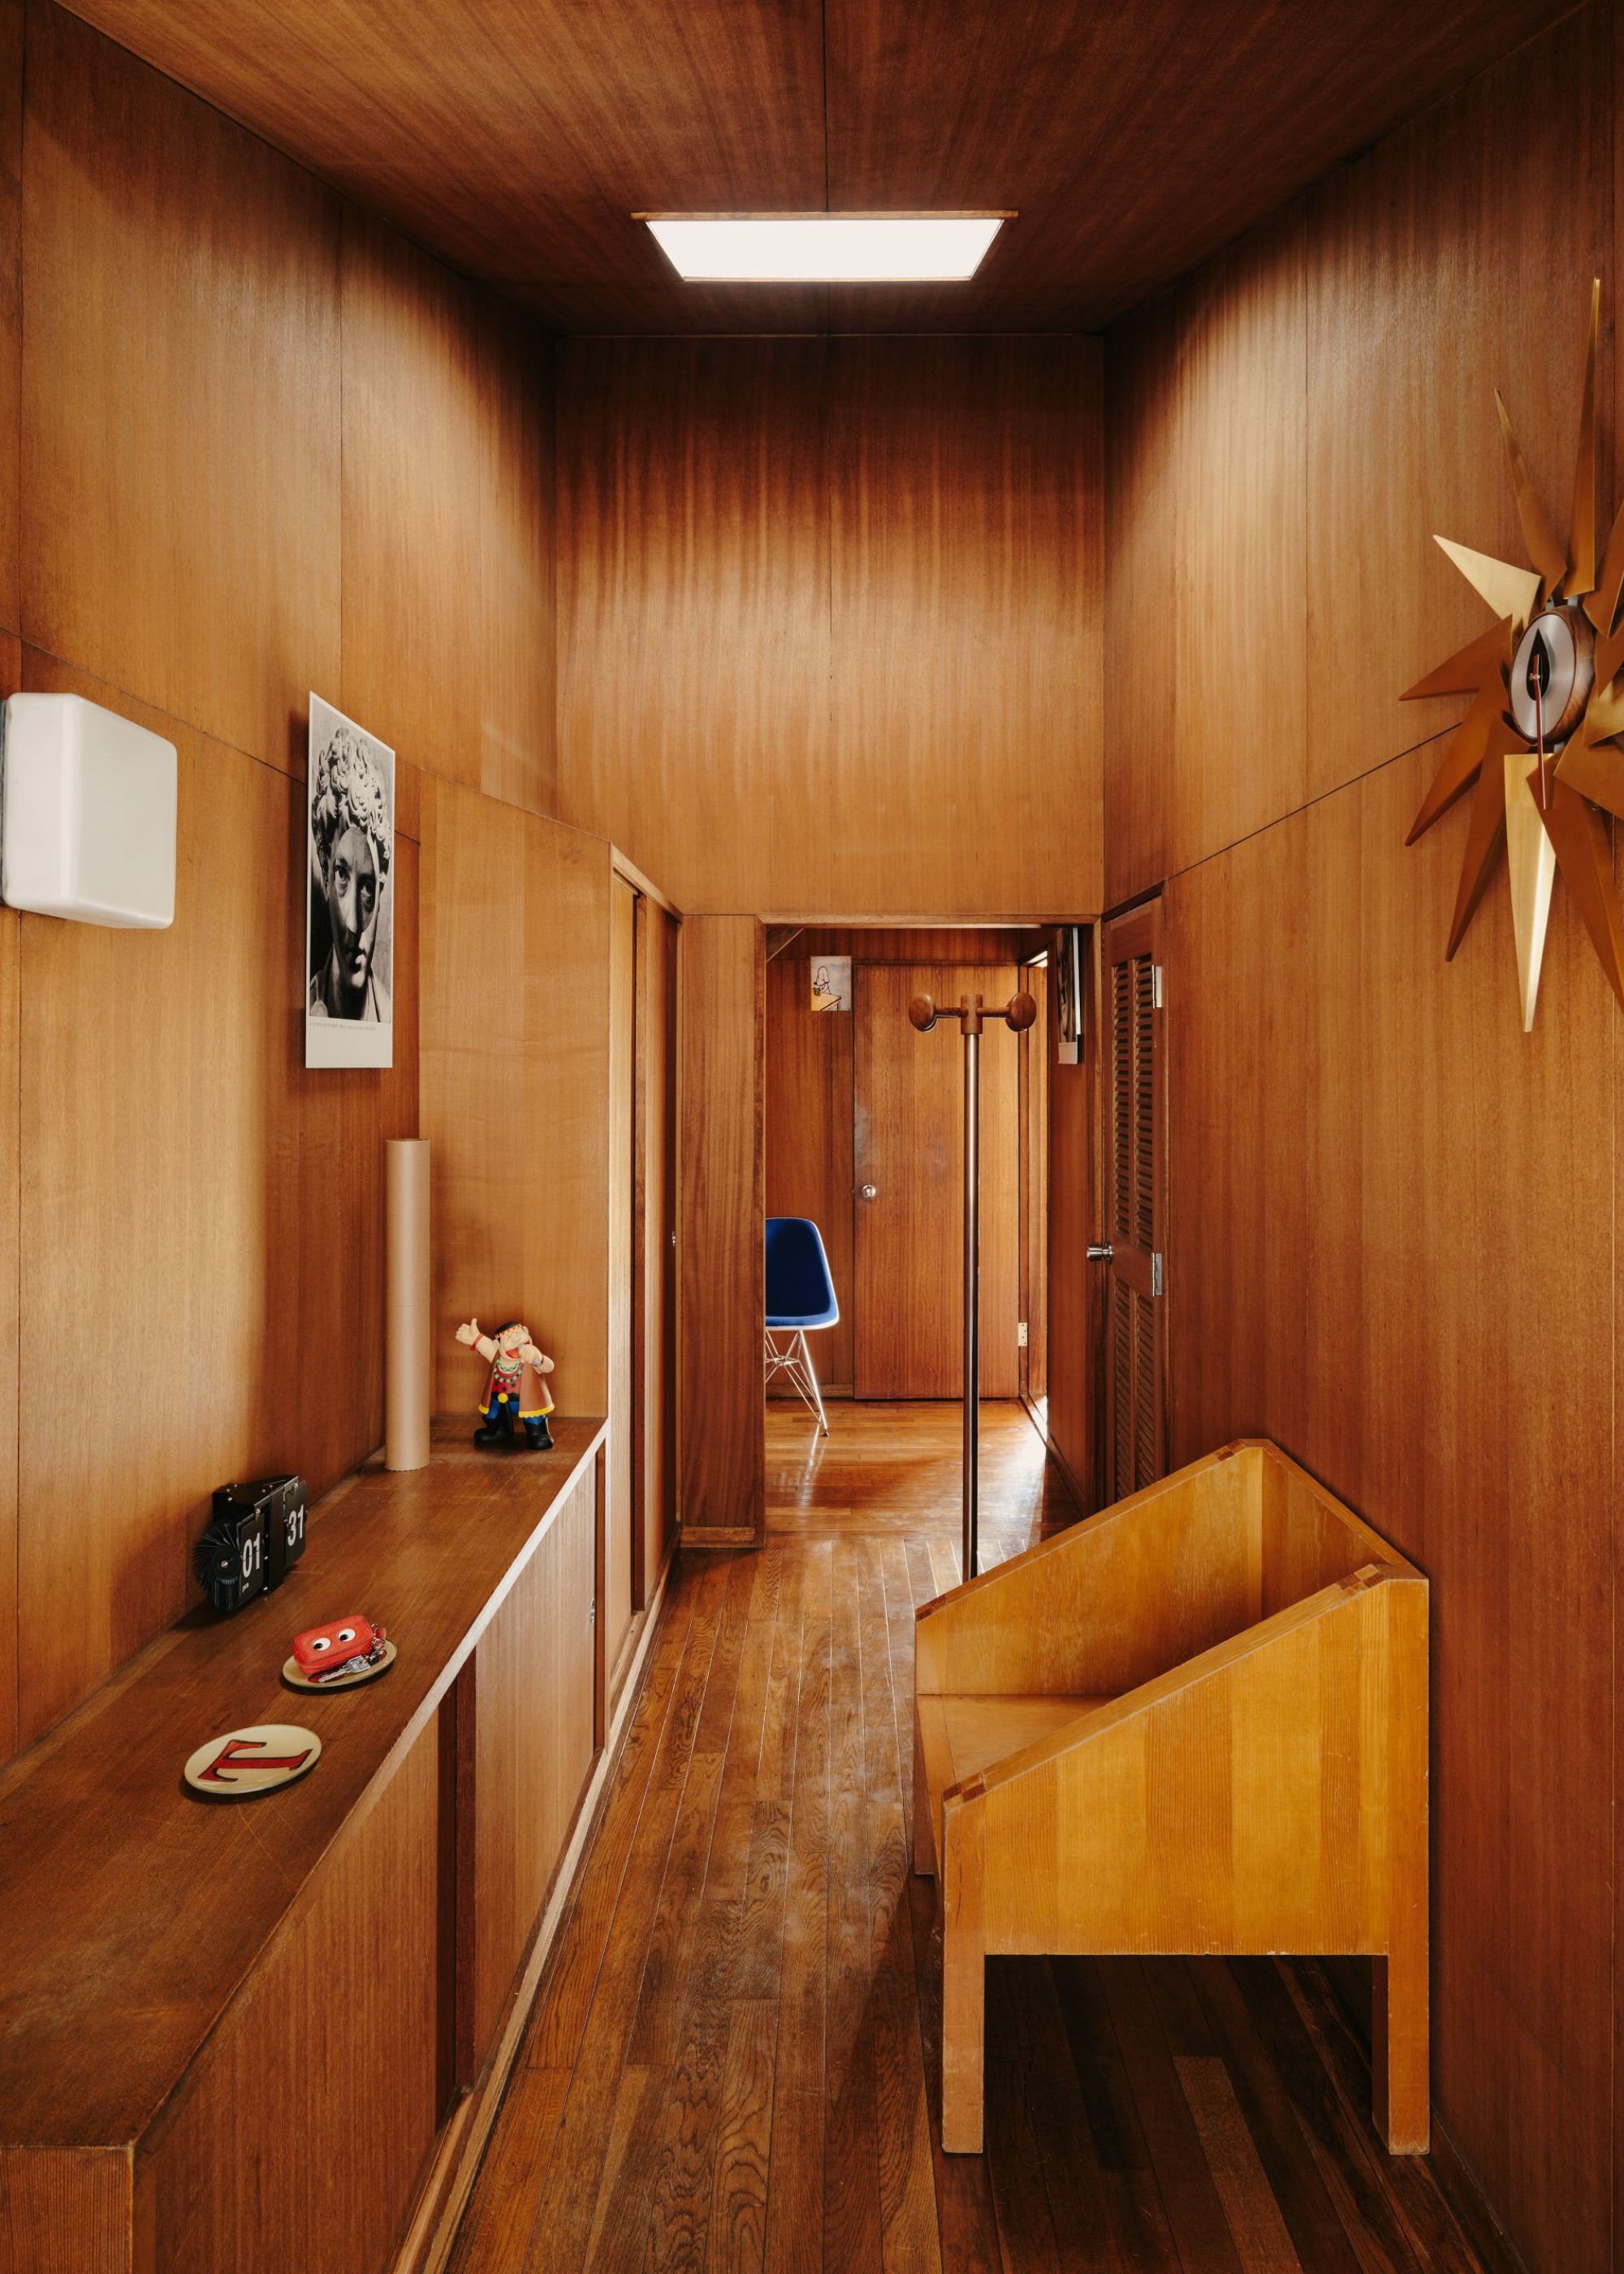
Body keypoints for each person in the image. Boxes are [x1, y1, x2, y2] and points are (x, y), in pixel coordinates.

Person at [309, 724, 391, 1022]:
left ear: (382, 888)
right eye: (343, 875)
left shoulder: (389, 1014)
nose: (356, 924)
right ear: (326, 871)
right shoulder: (310, 1003)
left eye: (368, 886)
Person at [455, 1317, 556, 1449]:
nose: (516, 1340)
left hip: (529, 1403)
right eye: (509, 1339)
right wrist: (475, 1338)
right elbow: (486, 1346)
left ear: (526, 1332)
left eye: (518, 1334)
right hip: (499, 1402)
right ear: (498, 1345)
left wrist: (538, 1358)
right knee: (492, 1414)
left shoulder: (531, 1359)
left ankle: (538, 1433)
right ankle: (499, 1431)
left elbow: (548, 1367)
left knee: (534, 1419)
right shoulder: (498, 1357)